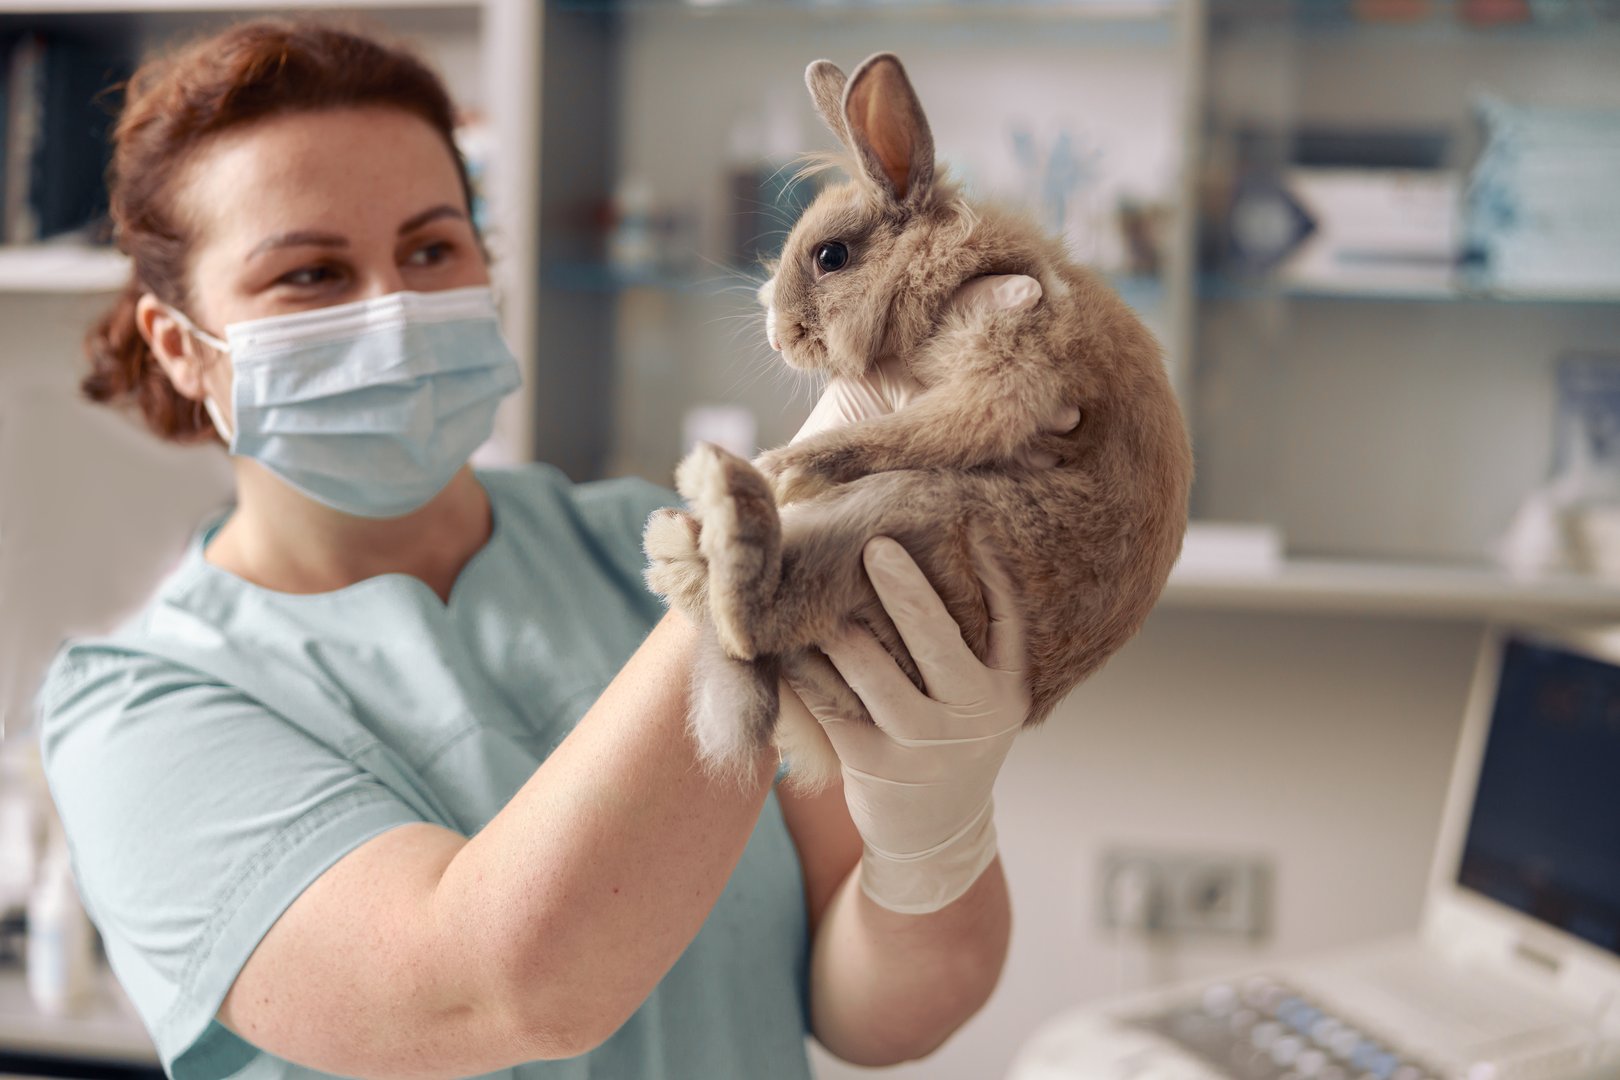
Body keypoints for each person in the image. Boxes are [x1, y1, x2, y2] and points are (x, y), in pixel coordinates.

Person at [37, 18, 1058, 1079]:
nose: (395, 311)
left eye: (433, 249)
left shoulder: (635, 544)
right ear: (180, 347)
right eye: (310, 275)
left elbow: (878, 1019)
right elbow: (501, 991)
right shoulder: (139, 718)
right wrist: (792, 505)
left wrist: (929, 845)